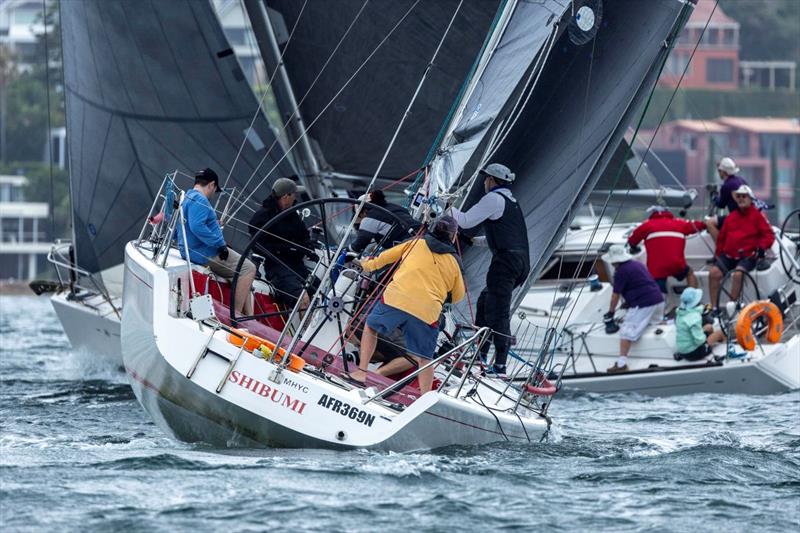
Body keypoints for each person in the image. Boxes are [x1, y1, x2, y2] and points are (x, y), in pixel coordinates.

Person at [348, 216, 465, 393]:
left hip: (397, 299)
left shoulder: (415, 243)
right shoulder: (455, 262)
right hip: (427, 310)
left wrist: (365, 264)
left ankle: (362, 372)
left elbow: (379, 261)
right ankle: (424, 400)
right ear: (453, 236)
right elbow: (457, 297)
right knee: (425, 357)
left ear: (432, 228)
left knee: (371, 327)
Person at [449, 163, 529, 376]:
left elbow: (464, 221)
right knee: (485, 303)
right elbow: (504, 236)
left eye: (486, 179)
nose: (484, 182)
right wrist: (473, 242)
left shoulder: (493, 198)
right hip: (520, 262)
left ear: (492, 180)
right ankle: (480, 357)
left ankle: (500, 366)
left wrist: (445, 206)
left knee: (497, 313)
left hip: (505, 263)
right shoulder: (511, 201)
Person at [177, 168, 255, 315]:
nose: (214, 193)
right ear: (211, 184)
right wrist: (221, 245)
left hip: (192, 250)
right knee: (248, 269)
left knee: (239, 272)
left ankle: (250, 317)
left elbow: (183, 226)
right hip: (204, 252)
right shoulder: (200, 199)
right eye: (215, 189)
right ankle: (236, 315)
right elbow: (197, 226)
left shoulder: (187, 197)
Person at [249, 177, 315, 311]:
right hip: (277, 267)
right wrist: (286, 249)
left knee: (319, 290)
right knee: (302, 299)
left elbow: (304, 235)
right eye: (294, 194)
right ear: (286, 196)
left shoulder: (292, 214)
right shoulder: (262, 216)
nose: (296, 197)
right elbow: (257, 244)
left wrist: (307, 248)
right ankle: (302, 332)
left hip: (296, 265)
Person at [708, 184, 775, 309]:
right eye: (738, 196)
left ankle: (731, 308)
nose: (740, 199)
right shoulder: (731, 217)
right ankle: (714, 309)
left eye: (744, 196)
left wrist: (761, 247)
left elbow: (769, 235)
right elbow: (721, 240)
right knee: (713, 273)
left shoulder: (757, 216)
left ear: (750, 199)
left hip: (748, 256)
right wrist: (717, 257)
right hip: (728, 256)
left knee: (738, 274)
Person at [603, 244, 665, 373]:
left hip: (643, 304)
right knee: (654, 324)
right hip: (658, 300)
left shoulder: (620, 272)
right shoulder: (637, 264)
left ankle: (621, 364)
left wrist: (611, 312)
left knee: (626, 332)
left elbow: (615, 295)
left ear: (614, 261)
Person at [627, 206, 705, 293]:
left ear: (653, 214)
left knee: (658, 289)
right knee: (689, 273)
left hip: (657, 267)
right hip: (676, 264)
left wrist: (634, 247)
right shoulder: (680, 223)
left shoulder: (646, 225)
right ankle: (692, 298)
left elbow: (632, 241)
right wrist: (706, 224)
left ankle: (662, 303)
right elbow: (697, 226)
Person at [349, 190, 420, 254]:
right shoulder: (395, 207)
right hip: (424, 238)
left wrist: (345, 252)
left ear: (364, 212)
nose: (362, 219)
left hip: (412, 247)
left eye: (360, 216)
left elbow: (359, 245)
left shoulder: (371, 216)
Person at [675, 287, 725, 361]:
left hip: (683, 350)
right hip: (694, 353)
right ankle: (726, 348)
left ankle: (714, 344)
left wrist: (704, 330)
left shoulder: (680, 314)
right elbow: (699, 340)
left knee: (709, 327)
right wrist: (707, 337)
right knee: (719, 333)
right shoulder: (694, 317)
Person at [705, 157, 748, 240]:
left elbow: (721, 204)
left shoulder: (726, 186)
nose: (719, 173)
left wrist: (714, 197)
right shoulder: (742, 180)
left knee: (710, 223)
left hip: (737, 219)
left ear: (724, 172)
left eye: (719, 171)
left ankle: (720, 248)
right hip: (746, 216)